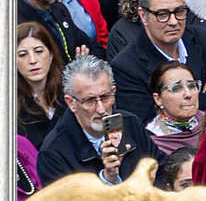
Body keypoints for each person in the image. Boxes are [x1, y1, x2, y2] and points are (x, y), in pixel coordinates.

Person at [108, 0, 206, 124]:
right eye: (162, 14)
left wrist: (193, 101)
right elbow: (146, 123)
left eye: (179, 11)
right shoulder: (126, 66)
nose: (173, 22)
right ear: (143, 16)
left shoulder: (200, 37)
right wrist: (203, 99)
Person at [37, 54, 164, 186]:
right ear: (71, 103)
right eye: (89, 100)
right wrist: (107, 179)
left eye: (105, 97)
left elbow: (161, 171)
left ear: (114, 92)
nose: (101, 109)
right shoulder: (53, 153)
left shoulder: (130, 123)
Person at [17, 21, 68, 148]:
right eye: (23, 55)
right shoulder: (10, 107)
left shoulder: (70, 91)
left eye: (39, 51)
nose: (33, 61)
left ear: (51, 55)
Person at [144, 61, 206, 152]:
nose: (188, 94)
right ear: (158, 99)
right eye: (176, 88)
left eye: (192, 86)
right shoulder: (153, 143)